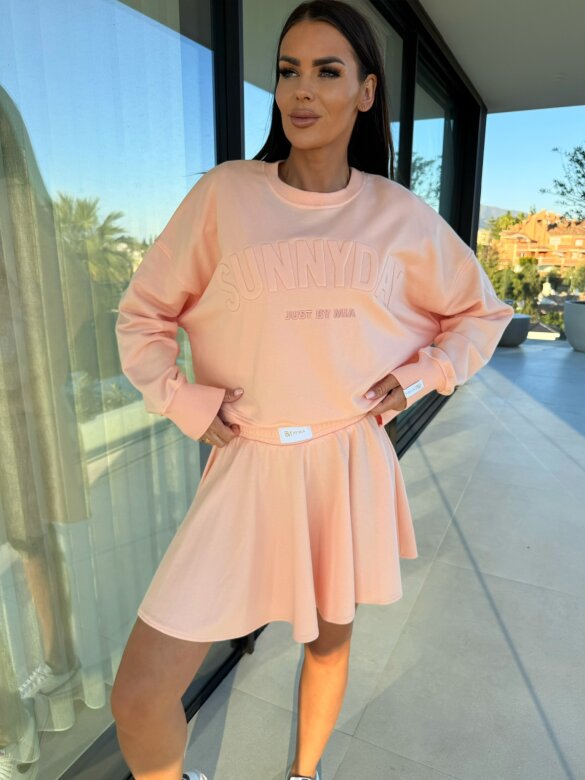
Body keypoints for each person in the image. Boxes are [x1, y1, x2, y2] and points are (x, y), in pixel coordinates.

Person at [111, 1, 515, 779]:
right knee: (140, 693)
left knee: (329, 643)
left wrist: (420, 376)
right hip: (246, 465)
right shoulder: (226, 196)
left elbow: (481, 312)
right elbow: (144, 313)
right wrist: (182, 401)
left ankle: (305, 773)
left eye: (327, 71)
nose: (301, 90)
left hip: (346, 460)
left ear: (365, 92)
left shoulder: (398, 216)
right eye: (287, 71)